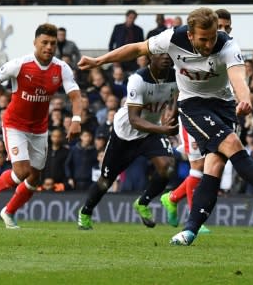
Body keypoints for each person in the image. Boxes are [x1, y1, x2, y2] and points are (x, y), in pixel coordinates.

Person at [78, 7, 253, 246]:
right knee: (231, 144)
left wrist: (245, 99)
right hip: (192, 105)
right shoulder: (172, 38)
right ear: (190, 35)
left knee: (215, 167)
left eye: (212, 38)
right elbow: (136, 48)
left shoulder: (227, 45)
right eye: (203, 39)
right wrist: (99, 60)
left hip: (224, 105)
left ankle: (189, 231)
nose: (209, 44)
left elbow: (238, 77)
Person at [0, 23, 83, 229]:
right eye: (44, 42)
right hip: (15, 125)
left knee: (35, 177)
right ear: (35, 43)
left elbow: (75, 95)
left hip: (39, 128)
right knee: (21, 171)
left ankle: (9, 212)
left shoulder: (61, 68)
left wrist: (76, 120)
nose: (48, 47)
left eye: (52, 43)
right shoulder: (20, 65)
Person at [77, 52, 179, 230]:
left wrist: (173, 116)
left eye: (169, 54)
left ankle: (143, 202)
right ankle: (85, 212)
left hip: (150, 131)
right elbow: (134, 119)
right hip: (125, 133)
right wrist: (163, 129)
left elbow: (179, 95)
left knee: (168, 167)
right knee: (106, 181)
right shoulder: (137, 79)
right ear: (150, 57)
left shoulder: (176, 76)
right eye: (161, 54)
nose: (166, 57)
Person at [160, 9, 232, 234]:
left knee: (212, 164)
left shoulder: (227, 47)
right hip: (193, 113)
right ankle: (194, 219)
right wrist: (172, 110)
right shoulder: (186, 47)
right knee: (198, 166)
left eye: (226, 27)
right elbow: (182, 85)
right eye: (220, 26)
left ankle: (172, 198)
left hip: (216, 110)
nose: (222, 31)